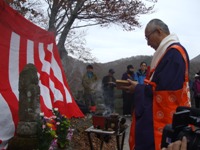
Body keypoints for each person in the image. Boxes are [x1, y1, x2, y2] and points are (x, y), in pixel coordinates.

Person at [118, 19, 191, 150]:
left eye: (148, 37)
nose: (147, 43)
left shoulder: (173, 54)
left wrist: (138, 88)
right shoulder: (167, 53)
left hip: (160, 120)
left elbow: (164, 94)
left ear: (158, 31)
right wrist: (139, 88)